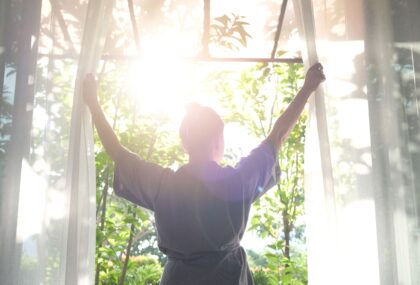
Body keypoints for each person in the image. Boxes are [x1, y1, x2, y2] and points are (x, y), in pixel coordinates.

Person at [83, 62, 325, 285]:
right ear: (218, 140)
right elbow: (278, 135)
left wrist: (93, 103)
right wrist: (307, 88)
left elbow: (117, 152)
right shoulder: (237, 183)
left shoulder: (163, 185)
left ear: (184, 143)